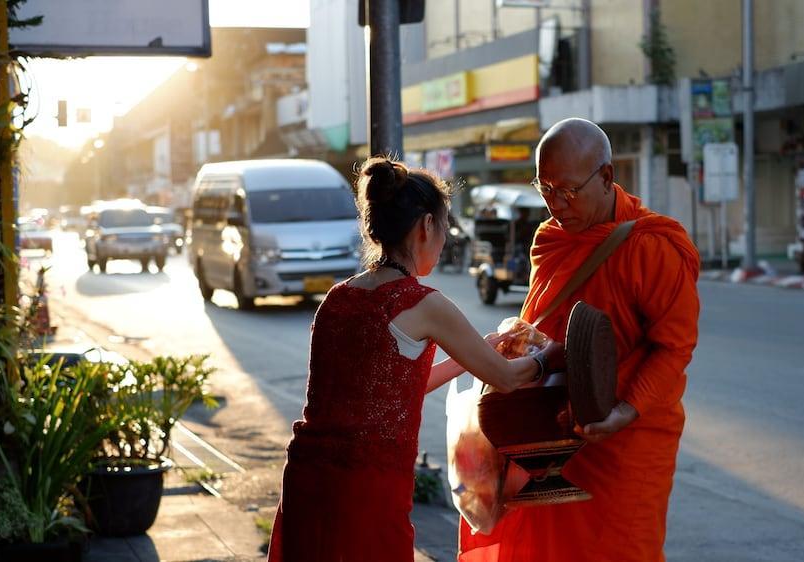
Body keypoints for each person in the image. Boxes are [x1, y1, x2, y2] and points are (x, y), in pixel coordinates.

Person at [267, 157, 563, 562]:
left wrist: (470, 356)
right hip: (367, 489)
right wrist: (551, 357)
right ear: (426, 226)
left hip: (306, 479)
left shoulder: (338, 298)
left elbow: (398, 386)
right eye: (443, 228)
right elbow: (509, 379)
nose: (444, 243)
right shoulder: (423, 303)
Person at [458, 118, 701, 562]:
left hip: (624, 442)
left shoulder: (652, 246)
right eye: (544, 188)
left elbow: (675, 347)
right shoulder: (550, 239)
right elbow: (541, 330)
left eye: (567, 190)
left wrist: (626, 411)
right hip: (547, 440)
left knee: (620, 549)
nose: (556, 204)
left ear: (606, 176)